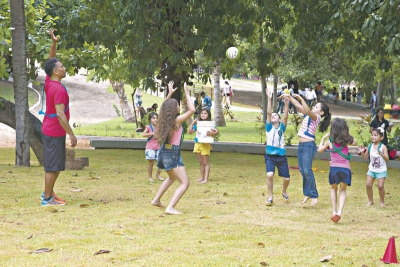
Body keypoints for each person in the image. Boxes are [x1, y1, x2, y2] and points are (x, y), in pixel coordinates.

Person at [41, 29, 77, 206]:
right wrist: (71, 134)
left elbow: (50, 61)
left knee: (55, 165)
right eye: (61, 66)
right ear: (56, 71)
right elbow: (61, 115)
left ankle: (49, 193)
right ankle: (47, 199)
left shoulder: (49, 81)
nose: (64, 68)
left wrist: (54, 43)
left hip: (50, 128)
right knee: (53, 167)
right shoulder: (59, 90)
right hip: (55, 130)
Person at [151, 81, 195, 215]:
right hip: (172, 153)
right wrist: (187, 94)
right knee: (185, 183)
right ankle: (170, 207)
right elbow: (192, 110)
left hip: (163, 152)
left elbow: (164, 107)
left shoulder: (163, 121)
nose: (178, 107)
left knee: (171, 178)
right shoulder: (176, 121)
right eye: (176, 105)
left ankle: (156, 200)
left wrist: (169, 94)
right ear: (173, 109)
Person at [280, 93, 331, 206]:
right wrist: (290, 97)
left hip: (308, 145)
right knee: (303, 171)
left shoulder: (316, 117)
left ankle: (313, 195)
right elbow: (298, 105)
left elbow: (307, 110)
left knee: (307, 171)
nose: (314, 107)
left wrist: (302, 98)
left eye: (317, 107)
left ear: (321, 113)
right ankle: (307, 193)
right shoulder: (309, 115)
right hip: (302, 146)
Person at [317, 118, 355, 223]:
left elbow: (319, 150)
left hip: (334, 169)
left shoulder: (330, 142)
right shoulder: (348, 140)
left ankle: (334, 211)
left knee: (333, 189)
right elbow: (354, 141)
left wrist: (323, 138)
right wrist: (347, 134)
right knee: (343, 190)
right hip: (345, 169)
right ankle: (339, 212)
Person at [264, 88, 290, 205]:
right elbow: (269, 113)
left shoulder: (282, 128)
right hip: (270, 156)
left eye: (276, 115)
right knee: (269, 175)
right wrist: (269, 99)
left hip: (281, 156)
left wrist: (286, 104)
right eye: (272, 116)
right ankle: (270, 196)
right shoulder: (269, 127)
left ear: (279, 120)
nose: (273, 116)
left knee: (287, 179)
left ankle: (284, 191)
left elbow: (285, 117)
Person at [358, 127, 389, 207]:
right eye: (372, 135)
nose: (373, 137)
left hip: (381, 170)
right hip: (372, 169)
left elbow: (387, 159)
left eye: (375, 135)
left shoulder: (383, 147)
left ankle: (382, 202)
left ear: (381, 137)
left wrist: (381, 154)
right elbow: (365, 158)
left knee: (380, 186)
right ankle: (370, 201)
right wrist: (362, 152)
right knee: (368, 185)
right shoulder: (370, 146)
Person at [188, 108, 219, 184]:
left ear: (208, 115)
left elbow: (216, 132)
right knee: (201, 162)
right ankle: (201, 177)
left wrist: (214, 133)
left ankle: (206, 179)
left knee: (206, 162)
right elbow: (190, 132)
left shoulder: (210, 124)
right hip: (197, 144)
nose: (203, 114)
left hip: (205, 144)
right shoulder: (198, 124)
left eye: (205, 113)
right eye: (202, 113)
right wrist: (193, 123)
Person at [142, 112, 164, 183]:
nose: (155, 120)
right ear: (150, 119)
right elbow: (143, 134)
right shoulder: (149, 127)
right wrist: (152, 133)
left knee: (161, 162)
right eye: (153, 118)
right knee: (151, 163)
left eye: (157, 118)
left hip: (158, 147)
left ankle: (158, 174)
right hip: (150, 148)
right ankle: (150, 177)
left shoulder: (159, 127)